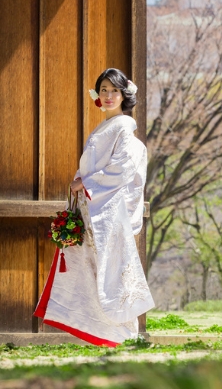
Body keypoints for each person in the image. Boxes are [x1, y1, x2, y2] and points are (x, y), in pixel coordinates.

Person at [34, 68, 155, 347]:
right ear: (97, 96)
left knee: (112, 271)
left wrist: (85, 183)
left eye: (114, 90)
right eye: (103, 90)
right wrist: (82, 183)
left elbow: (122, 168)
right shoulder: (106, 127)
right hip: (97, 207)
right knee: (99, 270)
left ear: (124, 95)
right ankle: (108, 333)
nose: (109, 95)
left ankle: (124, 333)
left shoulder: (124, 126)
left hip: (108, 211)